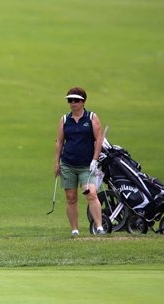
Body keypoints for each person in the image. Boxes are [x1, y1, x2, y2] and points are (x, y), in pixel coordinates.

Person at [54, 87, 104, 236]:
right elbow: (60, 142)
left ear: (83, 101)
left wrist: (95, 160)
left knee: (91, 193)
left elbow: (98, 140)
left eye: (76, 100)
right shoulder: (64, 119)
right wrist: (57, 163)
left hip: (86, 165)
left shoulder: (91, 118)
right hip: (68, 164)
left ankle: (99, 226)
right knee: (71, 198)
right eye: (70, 100)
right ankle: (75, 229)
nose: (73, 103)